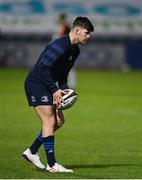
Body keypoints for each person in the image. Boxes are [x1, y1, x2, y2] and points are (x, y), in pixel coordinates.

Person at [22, 16, 94, 173]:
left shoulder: (75, 51)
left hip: (47, 84)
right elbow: (42, 67)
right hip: (36, 83)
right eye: (87, 33)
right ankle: (52, 165)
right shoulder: (60, 45)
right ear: (77, 30)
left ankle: (31, 152)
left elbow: (63, 74)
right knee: (49, 120)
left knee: (59, 121)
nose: (88, 36)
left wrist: (64, 89)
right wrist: (55, 90)